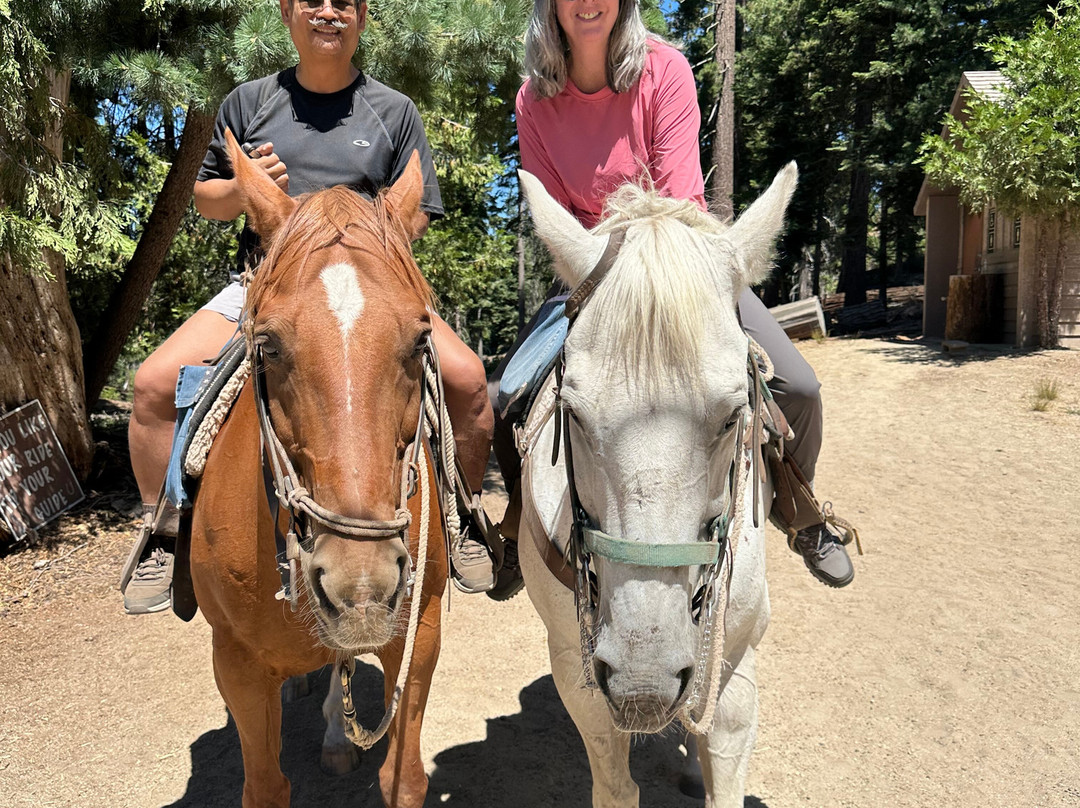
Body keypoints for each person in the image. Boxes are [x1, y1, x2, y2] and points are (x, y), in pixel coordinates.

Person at [120, 0, 497, 614]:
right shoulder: (249, 102)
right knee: (153, 385)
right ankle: (164, 528)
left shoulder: (395, 110)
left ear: (363, 18)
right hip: (264, 283)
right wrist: (245, 188)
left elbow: (420, 207)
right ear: (287, 14)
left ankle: (463, 517)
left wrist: (369, 233)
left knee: (468, 380)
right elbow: (207, 198)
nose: (328, 12)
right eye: (313, 2)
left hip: (367, 288)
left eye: (343, 3)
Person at [487, 0, 854, 599]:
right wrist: (599, 268)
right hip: (588, 280)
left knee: (799, 387)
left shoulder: (666, 70)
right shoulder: (534, 101)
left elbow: (681, 201)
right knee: (506, 399)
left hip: (679, 268)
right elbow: (553, 216)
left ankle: (800, 511)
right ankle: (514, 530)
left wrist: (632, 263)